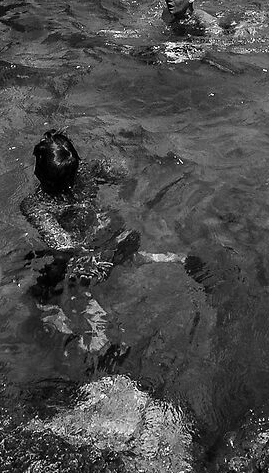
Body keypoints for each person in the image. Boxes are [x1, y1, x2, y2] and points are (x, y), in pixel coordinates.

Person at [18, 130, 200, 365]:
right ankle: (173, 258)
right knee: (115, 257)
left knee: (39, 295)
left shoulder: (35, 204)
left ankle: (102, 343)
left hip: (89, 257)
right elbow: (123, 171)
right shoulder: (89, 171)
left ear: (39, 172)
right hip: (119, 236)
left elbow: (62, 244)